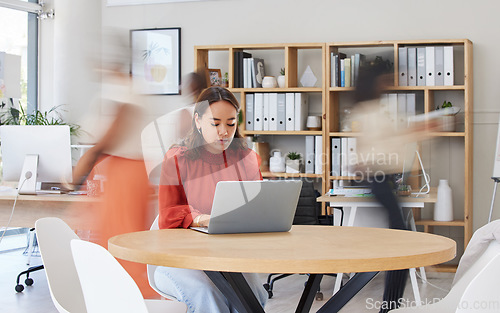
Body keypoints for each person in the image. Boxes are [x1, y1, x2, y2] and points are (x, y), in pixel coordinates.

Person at [154, 86, 267, 313]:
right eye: (215, 124)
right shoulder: (178, 159)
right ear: (198, 121)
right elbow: (167, 215)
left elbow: (258, 208)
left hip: (230, 257)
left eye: (231, 123)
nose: (224, 131)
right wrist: (203, 219)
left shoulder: (247, 159)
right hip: (181, 258)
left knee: (253, 294)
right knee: (209, 294)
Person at [69, 33, 155, 298]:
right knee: (111, 238)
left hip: (126, 171)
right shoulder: (115, 88)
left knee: (123, 240)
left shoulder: (125, 89)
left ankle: (131, 299)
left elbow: (113, 130)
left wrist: (86, 161)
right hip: (117, 170)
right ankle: (115, 296)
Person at [351, 62, 441, 312]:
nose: (389, 82)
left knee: (399, 241)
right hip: (379, 180)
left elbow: (391, 140)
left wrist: (418, 131)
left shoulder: (375, 109)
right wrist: (418, 130)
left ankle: (390, 305)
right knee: (401, 242)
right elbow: (382, 146)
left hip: (385, 179)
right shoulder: (367, 111)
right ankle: (389, 306)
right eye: (385, 78)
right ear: (375, 80)